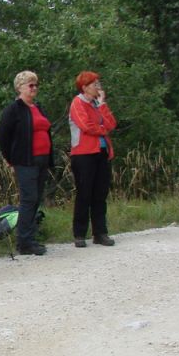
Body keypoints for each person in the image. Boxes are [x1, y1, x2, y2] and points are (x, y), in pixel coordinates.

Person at [0, 70, 54, 256]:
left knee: (36, 198)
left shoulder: (38, 108)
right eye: (30, 85)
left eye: (36, 85)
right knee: (29, 198)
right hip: (25, 160)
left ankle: (30, 237)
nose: (34, 88)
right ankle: (24, 241)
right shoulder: (14, 109)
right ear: (20, 87)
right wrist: (9, 157)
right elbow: (3, 135)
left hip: (41, 159)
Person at [69, 70, 117, 248]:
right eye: (94, 84)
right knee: (84, 193)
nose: (98, 87)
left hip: (102, 152)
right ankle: (79, 233)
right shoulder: (77, 103)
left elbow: (112, 123)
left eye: (98, 84)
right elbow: (86, 126)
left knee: (100, 193)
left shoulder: (97, 104)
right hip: (83, 154)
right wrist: (103, 128)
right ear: (85, 87)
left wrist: (103, 104)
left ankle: (100, 232)